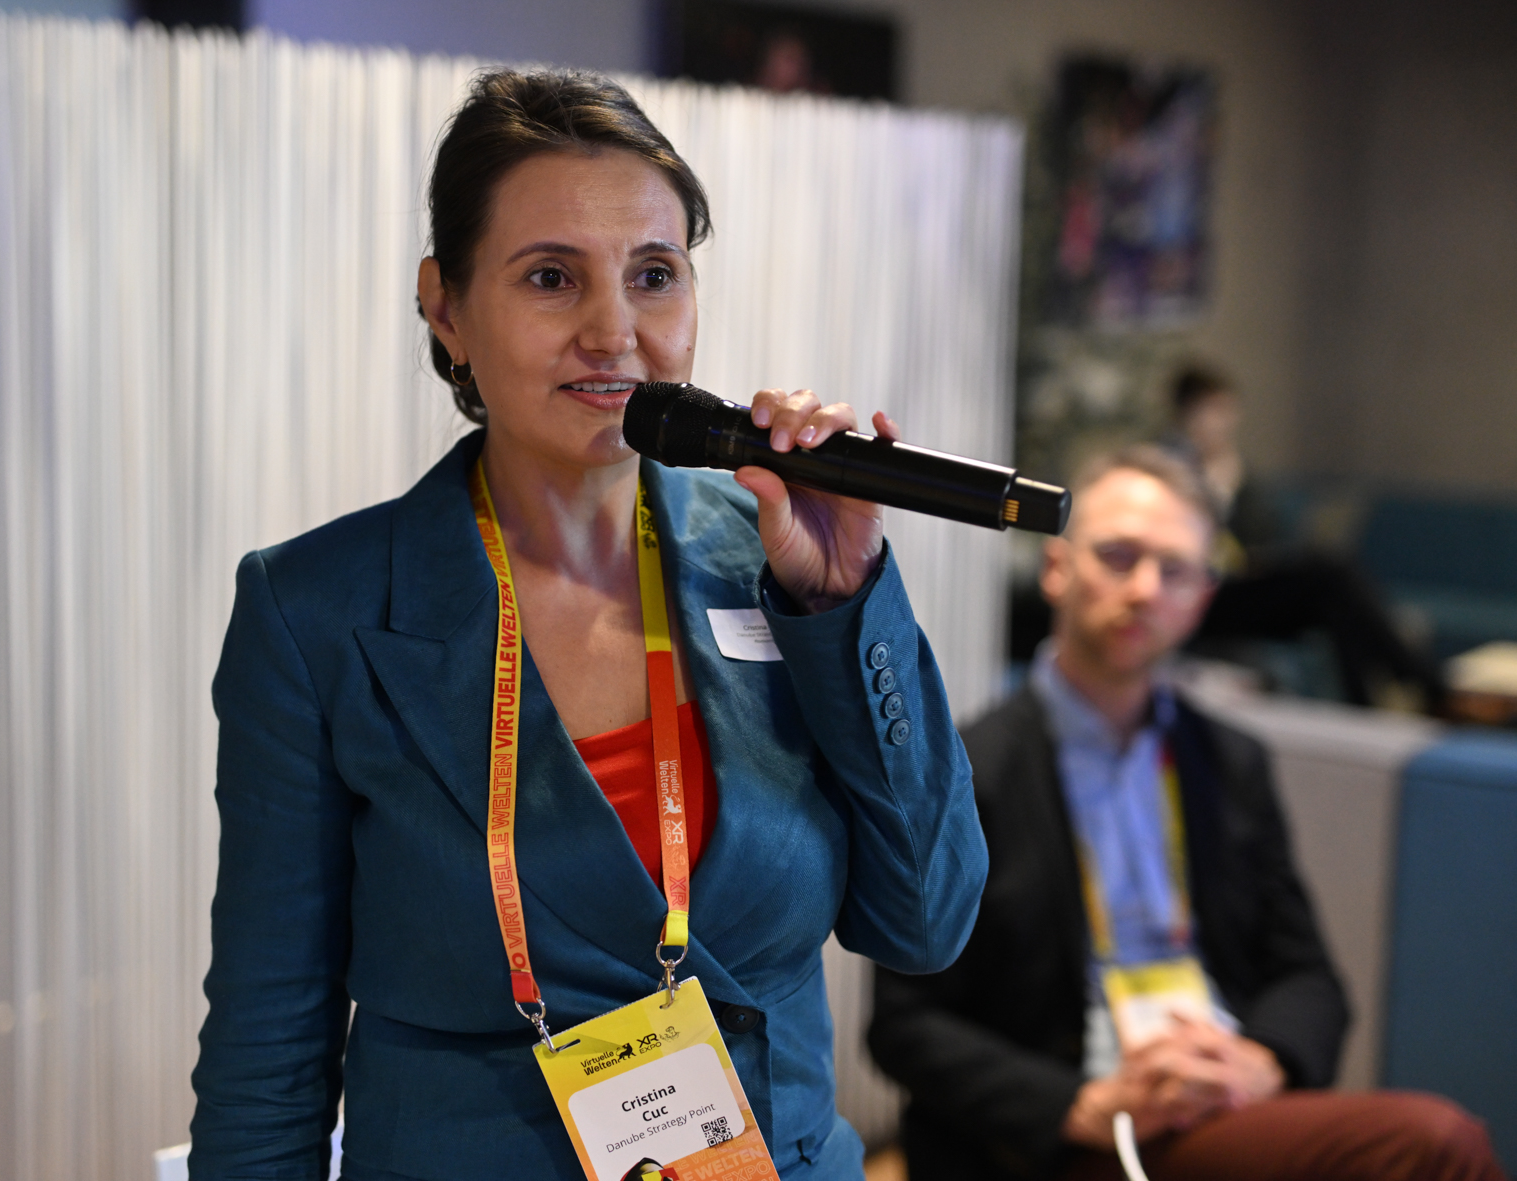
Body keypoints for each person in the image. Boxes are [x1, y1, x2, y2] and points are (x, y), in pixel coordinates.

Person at [187, 70, 988, 1180]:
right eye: (551, 278)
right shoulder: (317, 611)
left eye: (653, 275)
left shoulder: (776, 559)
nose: (613, 332)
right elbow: (266, 1053)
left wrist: (843, 603)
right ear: (446, 308)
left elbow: (927, 921)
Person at [869, 445, 1504, 1181]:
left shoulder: (1230, 762)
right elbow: (904, 1022)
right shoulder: (969, 771)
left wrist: (1262, 1061)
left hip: (1221, 1097)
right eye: (1118, 556)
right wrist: (1080, 1106)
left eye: (1175, 570)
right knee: (1435, 1143)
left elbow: (1307, 976)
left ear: (1202, 598)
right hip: (1080, 1122)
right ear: (1057, 569)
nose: (1145, 589)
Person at [1162, 363, 1439, 709]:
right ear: (1186, 414)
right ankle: (1423, 682)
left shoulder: (1233, 467)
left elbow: (1263, 532)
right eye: (1212, 411)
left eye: (1228, 411)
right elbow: (1187, 542)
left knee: (1334, 595)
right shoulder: (1170, 469)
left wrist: (1241, 506)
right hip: (1206, 594)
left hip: (1245, 578)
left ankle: (1366, 704)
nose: (1224, 423)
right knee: (1330, 574)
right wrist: (1218, 491)